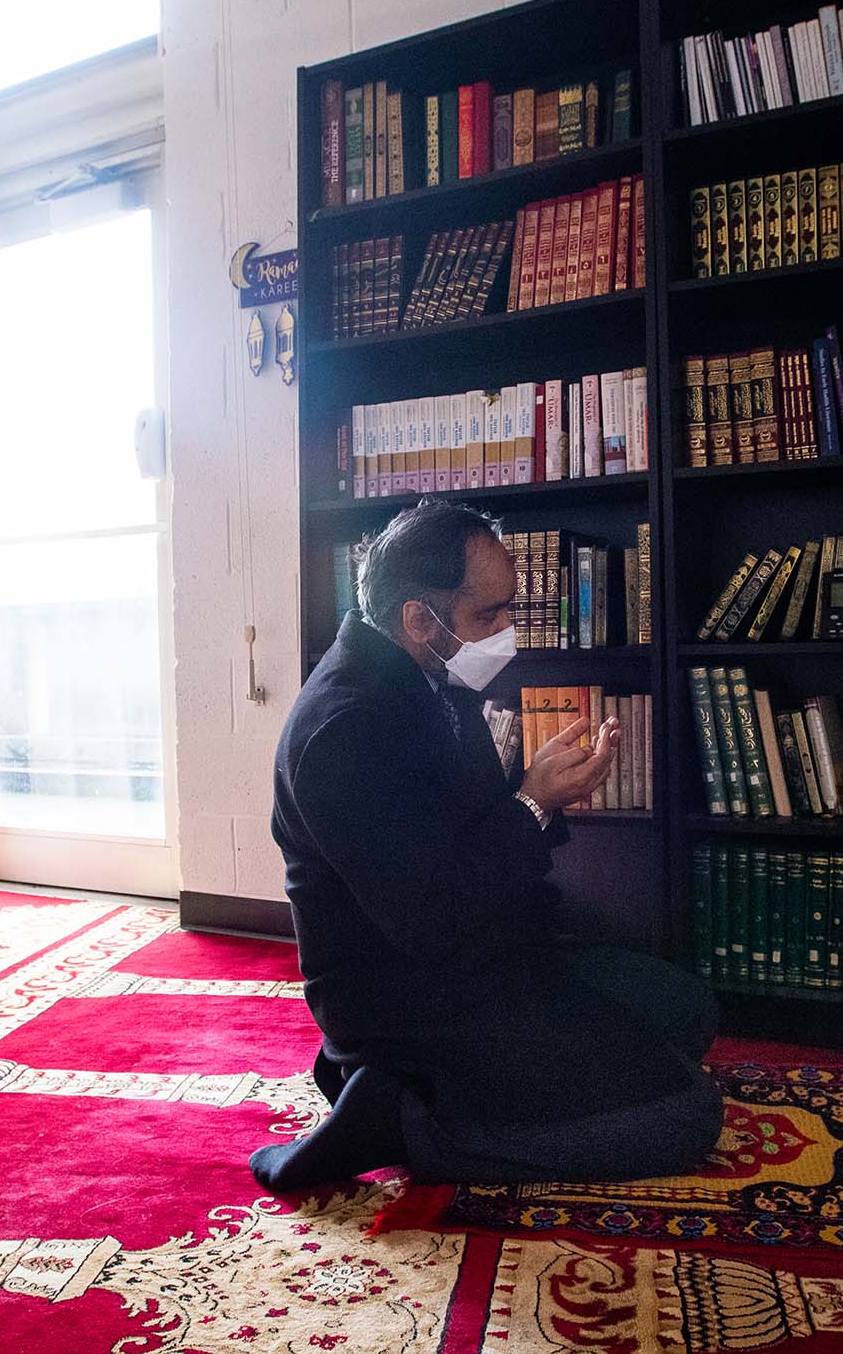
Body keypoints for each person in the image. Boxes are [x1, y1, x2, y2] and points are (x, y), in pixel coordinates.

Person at [250, 499, 724, 1192]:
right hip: (410, 1000)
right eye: (489, 614)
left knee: (688, 1011)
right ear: (419, 618)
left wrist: (545, 795)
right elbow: (430, 915)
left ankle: (463, 1096)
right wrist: (532, 802)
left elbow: (481, 827)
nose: (506, 632)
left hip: (492, 953)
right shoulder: (343, 729)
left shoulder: (426, 675)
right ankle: (403, 1117)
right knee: (685, 1114)